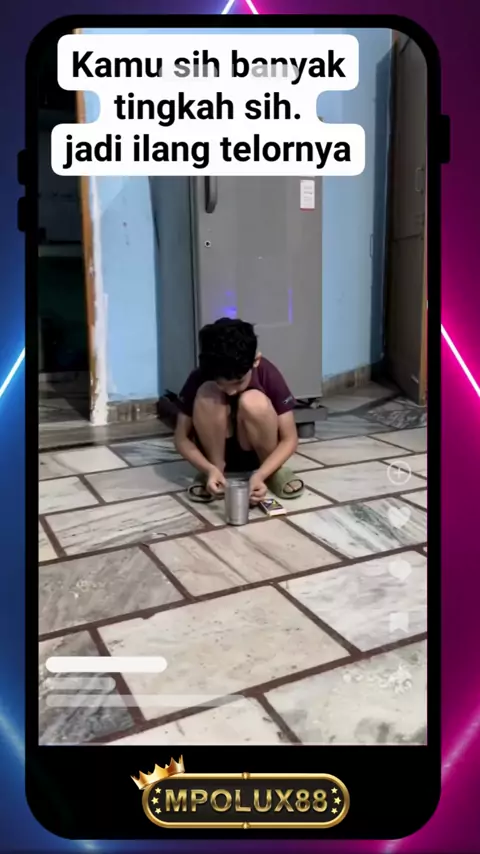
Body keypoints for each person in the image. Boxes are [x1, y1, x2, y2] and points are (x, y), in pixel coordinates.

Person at [174, 317, 304, 504]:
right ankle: (215, 471)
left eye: (238, 382)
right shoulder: (201, 376)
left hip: (257, 455)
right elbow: (181, 438)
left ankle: (272, 472)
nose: (230, 391)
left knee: (253, 401)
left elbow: (289, 438)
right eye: (221, 383)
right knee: (208, 392)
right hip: (213, 455)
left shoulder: (267, 372)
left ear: (255, 360)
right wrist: (208, 468)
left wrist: (261, 474)